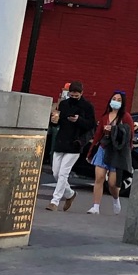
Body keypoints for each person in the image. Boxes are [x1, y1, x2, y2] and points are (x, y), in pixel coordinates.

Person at [47, 80, 96, 210]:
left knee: (63, 173)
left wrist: (78, 120)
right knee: (56, 173)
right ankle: (70, 194)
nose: (74, 98)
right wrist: (54, 121)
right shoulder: (63, 104)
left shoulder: (87, 107)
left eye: (76, 96)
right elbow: (57, 123)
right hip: (61, 141)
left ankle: (55, 201)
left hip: (75, 144)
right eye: (72, 95)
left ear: (81, 93)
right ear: (69, 93)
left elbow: (91, 125)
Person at [89, 91, 132, 214]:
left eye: (119, 100)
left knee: (112, 184)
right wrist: (91, 151)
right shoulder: (105, 117)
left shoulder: (126, 117)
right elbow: (98, 135)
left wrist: (114, 130)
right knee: (99, 177)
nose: (116, 102)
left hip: (117, 152)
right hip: (103, 148)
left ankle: (115, 199)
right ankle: (95, 206)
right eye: (114, 99)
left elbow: (129, 134)